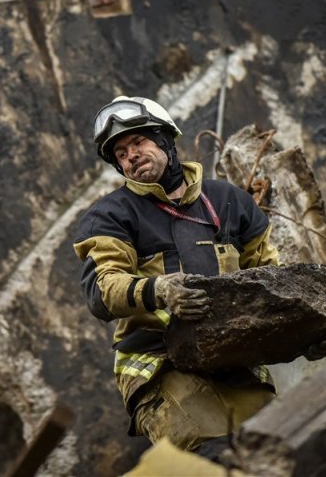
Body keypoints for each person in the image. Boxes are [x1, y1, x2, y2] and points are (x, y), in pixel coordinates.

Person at [73, 96, 281, 453]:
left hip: (236, 361)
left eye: (138, 142)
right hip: (161, 366)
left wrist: (304, 332)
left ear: (166, 139)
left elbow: (272, 279)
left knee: (277, 450)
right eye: (121, 153)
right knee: (213, 458)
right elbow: (102, 289)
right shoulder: (111, 216)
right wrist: (159, 290)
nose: (131, 155)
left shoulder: (229, 202)